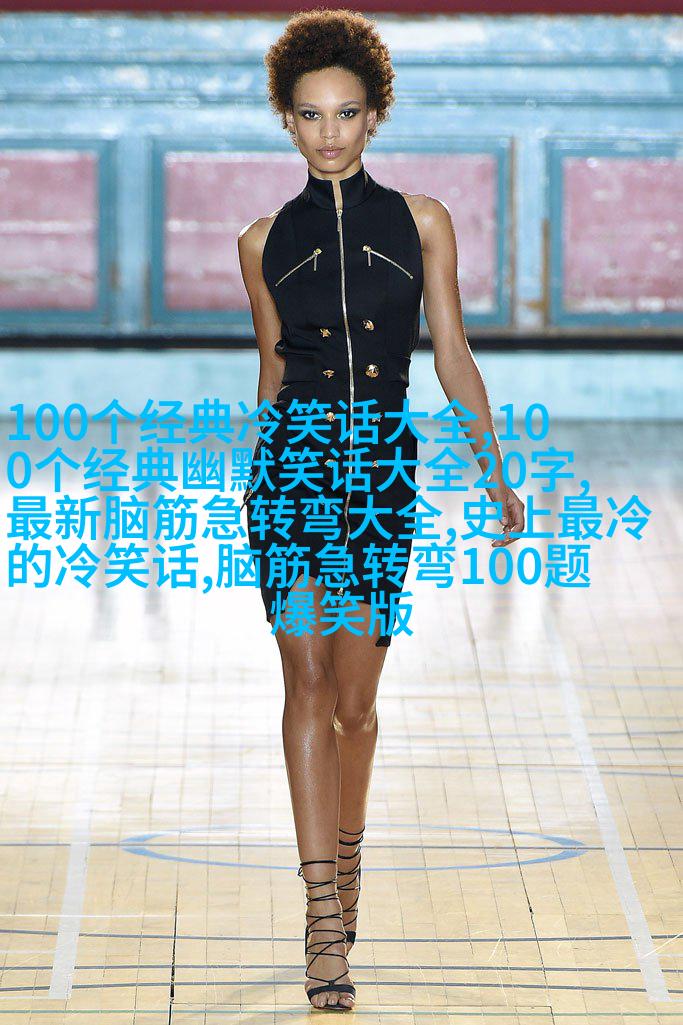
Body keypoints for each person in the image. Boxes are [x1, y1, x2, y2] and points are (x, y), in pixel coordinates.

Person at [236, 8, 525, 1011]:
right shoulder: (261, 241)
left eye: (346, 113)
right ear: (286, 119)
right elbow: (271, 372)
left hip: (378, 477)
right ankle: (322, 915)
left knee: (354, 703)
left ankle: (346, 856)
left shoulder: (423, 222)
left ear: (373, 116)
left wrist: (493, 469)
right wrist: (255, 477)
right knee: (305, 682)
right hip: (291, 474)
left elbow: (451, 353)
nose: (328, 132)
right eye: (310, 115)